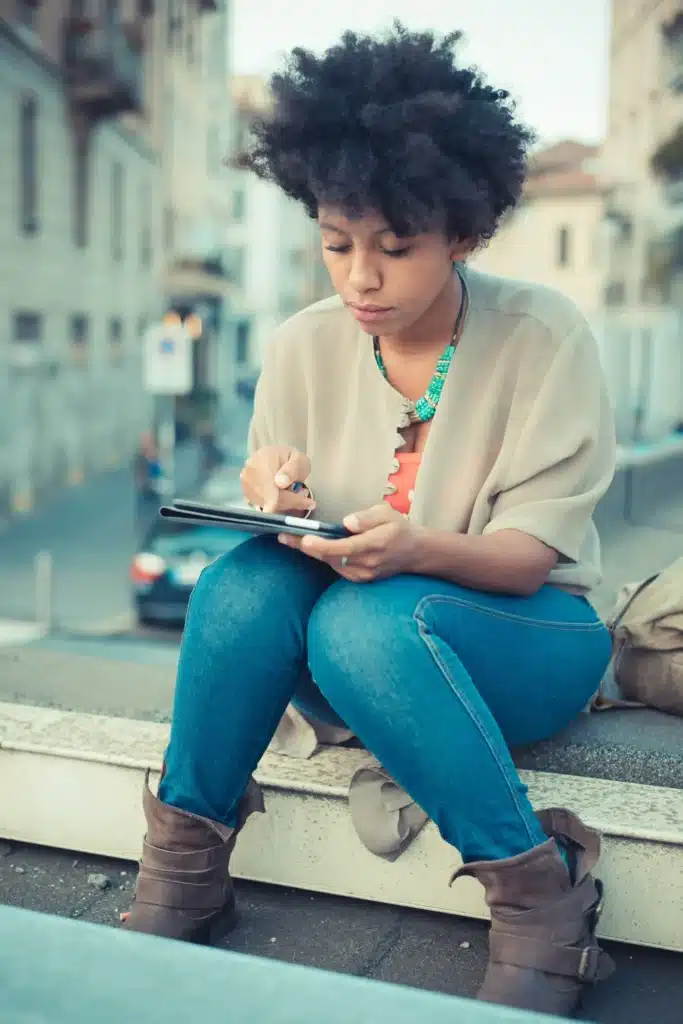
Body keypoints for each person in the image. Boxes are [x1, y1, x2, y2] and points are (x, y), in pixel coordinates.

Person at [122, 24, 617, 1016]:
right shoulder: (304, 341)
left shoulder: (543, 333)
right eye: (335, 243)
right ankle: (184, 868)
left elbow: (526, 561)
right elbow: (277, 515)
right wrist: (272, 491)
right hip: (363, 655)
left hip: (527, 637)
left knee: (366, 617)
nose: (357, 278)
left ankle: (539, 896)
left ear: (464, 232)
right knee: (245, 580)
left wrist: (416, 546)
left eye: (394, 248)